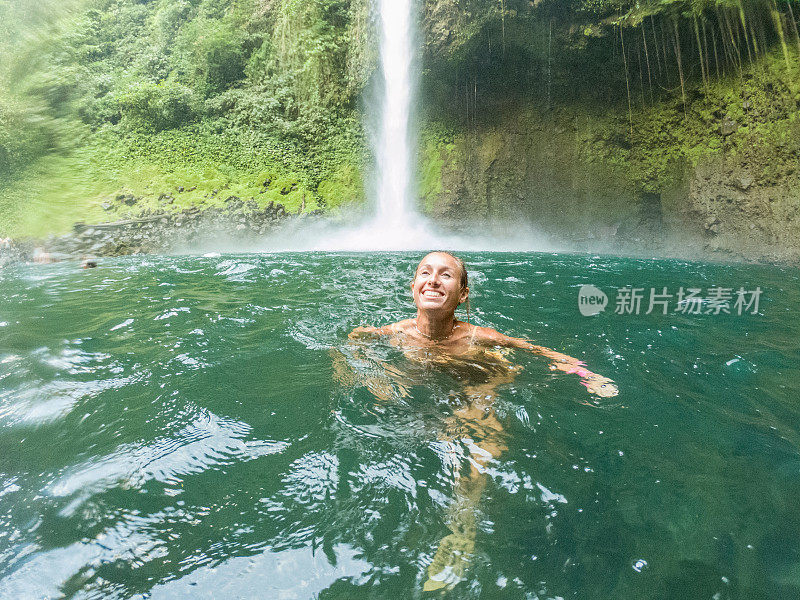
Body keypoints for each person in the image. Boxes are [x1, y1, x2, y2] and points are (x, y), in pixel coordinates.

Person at [344, 251, 618, 590]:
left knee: (479, 432)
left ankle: (463, 523)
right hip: (431, 382)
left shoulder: (477, 336)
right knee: (439, 427)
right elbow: (354, 340)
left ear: (462, 294)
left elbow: (540, 351)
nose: (433, 279)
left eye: (445, 275)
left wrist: (585, 374)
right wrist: (369, 374)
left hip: (479, 379)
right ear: (413, 286)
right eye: (425, 273)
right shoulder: (394, 333)